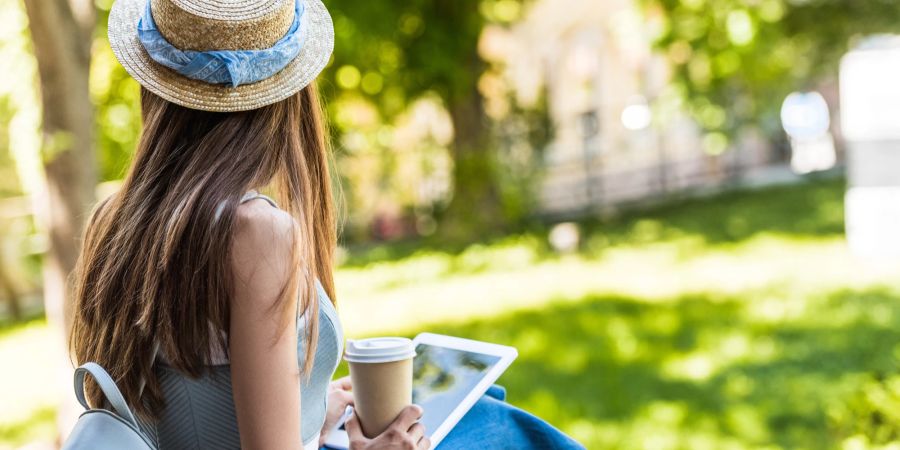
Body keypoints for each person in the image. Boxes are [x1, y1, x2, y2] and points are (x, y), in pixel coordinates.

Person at [69, 0, 584, 448]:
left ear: (155, 92)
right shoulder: (255, 234)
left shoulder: (115, 221)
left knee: (483, 408)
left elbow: (188, 412)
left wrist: (311, 412)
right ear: (284, 100)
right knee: (506, 429)